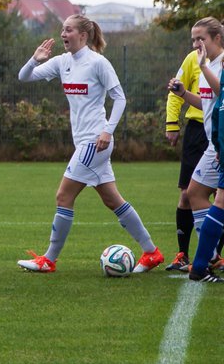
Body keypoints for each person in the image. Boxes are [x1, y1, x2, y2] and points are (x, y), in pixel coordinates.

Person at [15, 14, 162, 273]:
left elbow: (120, 99)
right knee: (112, 200)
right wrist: (34, 59)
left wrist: (107, 131)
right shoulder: (62, 62)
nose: (63, 34)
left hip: (96, 143)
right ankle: (152, 252)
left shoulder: (98, 63)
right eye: (62, 29)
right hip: (85, 143)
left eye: (68, 30)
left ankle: (48, 260)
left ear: (83, 35)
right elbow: (24, 77)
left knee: (63, 196)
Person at [165, 17, 224, 282]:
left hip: (220, 143)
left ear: (217, 39)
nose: (196, 44)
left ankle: (203, 262)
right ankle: (210, 256)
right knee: (194, 193)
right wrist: (182, 93)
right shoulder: (207, 64)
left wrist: (202, 67)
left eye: (201, 38)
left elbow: (222, 91)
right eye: (193, 39)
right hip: (215, 143)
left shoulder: (219, 63)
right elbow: (207, 103)